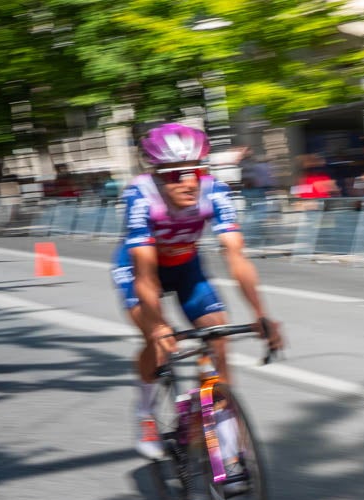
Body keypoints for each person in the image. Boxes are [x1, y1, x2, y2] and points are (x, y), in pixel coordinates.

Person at [110, 123, 283, 470]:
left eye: (196, 170)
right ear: (157, 176)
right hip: (141, 269)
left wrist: (262, 314)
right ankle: (145, 409)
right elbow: (145, 273)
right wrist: (158, 326)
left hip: (186, 265)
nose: (188, 180)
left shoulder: (214, 190)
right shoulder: (140, 196)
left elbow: (236, 255)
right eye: (175, 174)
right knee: (155, 339)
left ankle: (224, 427)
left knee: (217, 336)